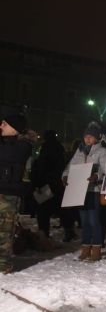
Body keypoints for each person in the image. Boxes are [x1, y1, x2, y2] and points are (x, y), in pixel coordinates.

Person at [63, 121, 106, 261]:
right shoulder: (79, 151)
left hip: (93, 190)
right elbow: (69, 167)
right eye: (86, 136)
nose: (87, 139)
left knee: (94, 220)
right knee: (84, 221)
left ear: (97, 138)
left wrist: (97, 176)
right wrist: (64, 176)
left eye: (91, 136)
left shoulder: (102, 151)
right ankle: (85, 247)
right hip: (79, 191)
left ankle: (97, 247)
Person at [0, 113, 33, 273]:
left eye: (4, 124)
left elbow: (7, 155)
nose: (1, 126)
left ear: (15, 129)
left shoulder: (23, 145)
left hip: (9, 195)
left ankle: (3, 264)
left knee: (5, 231)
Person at [30, 130, 66, 239]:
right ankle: (69, 230)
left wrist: (36, 183)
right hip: (57, 183)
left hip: (45, 184)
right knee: (61, 208)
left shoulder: (44, 149)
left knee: (44, 210)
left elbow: (38, 167)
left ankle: (44, 232)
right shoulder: (59, 148)